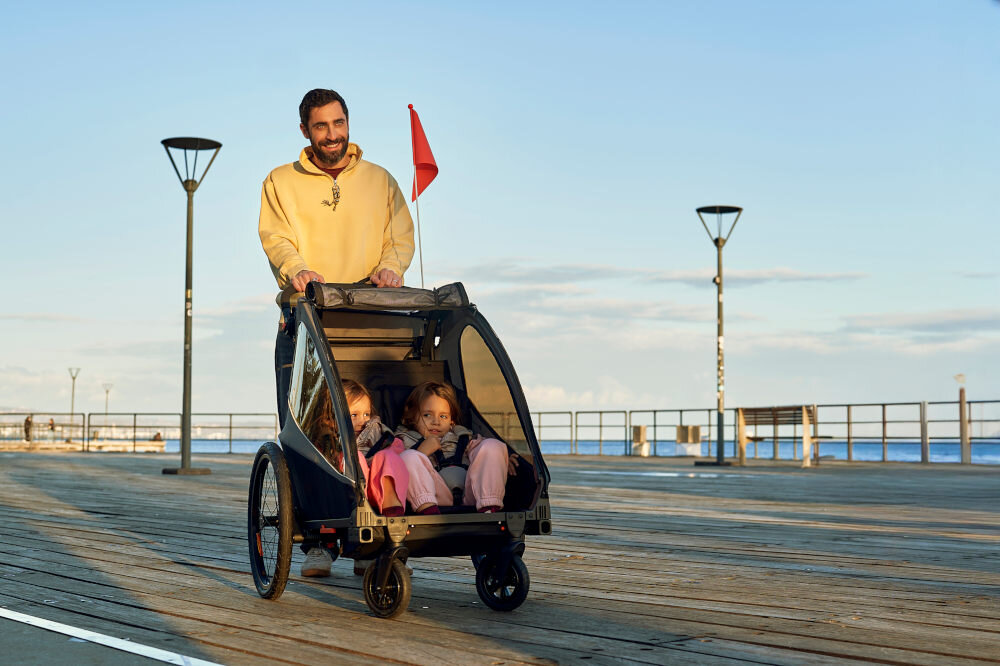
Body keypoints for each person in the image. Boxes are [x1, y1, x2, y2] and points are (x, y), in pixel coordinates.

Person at [258, 88, 415, 427]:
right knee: (304, 422)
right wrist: (297, 269)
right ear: (305, 130)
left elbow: (399, 237)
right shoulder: (280, 181)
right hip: (307, 312)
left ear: (348, 123)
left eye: (338, 123)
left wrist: (390, 267)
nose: (332, 135)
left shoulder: (381, 179)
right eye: (321, 126)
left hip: (369, 312)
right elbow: (277, 237)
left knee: (377, 416)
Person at [395, 382, 519, 514]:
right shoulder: (403, 440)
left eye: (443, 416)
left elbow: (486, 455)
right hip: (434, 497)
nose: (436, 422)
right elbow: (394, 468)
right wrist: (421, 452)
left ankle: (489, 507)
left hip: (472, 494)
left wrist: (502, 458)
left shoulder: (462, 437)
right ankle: (428, 510)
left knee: (493, 446)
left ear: (451, 421)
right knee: (407, 457)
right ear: (412, 417)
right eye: (427, 415)